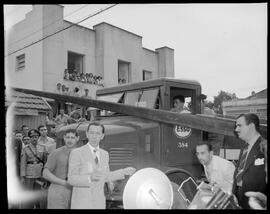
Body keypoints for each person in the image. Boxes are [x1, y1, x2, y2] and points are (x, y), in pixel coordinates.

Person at [68, 122, 136, 209]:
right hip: (82, 204)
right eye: (92, 133)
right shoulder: (76, 153)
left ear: (102, 136)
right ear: (87, 134)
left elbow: (106, 176)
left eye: (97, 133)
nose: (94, 136)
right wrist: (89, 178)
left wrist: (123, 172)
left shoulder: (105, 154)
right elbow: (71, 179)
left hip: (99, 204)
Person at [232, 113, 267, 209]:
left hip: (256, 203)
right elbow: (238, 173)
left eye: (239, 126)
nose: (236, 129)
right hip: (238, 199)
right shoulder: (244, 148)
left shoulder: (265, 147)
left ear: (251, 126)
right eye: (236, 126)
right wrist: (233, 194)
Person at [43, 129, 79, 209]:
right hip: (58, 190)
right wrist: (64, 183)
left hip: (77, 191)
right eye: (68, 137)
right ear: (64, 138)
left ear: (77, 138)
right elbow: (45, 173)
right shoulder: (56, 153)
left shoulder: (83, 153)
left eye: (72, 138)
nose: (70, 140)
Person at [20, 129, 47, 209]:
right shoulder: (26, 149)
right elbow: (23, 163)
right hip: (29, 174)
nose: (34, 138)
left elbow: (45, 161)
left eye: (36, 137)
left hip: (39, 174)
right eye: (32, 137)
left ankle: (38, 207)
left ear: (38, 137)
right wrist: (22, 176)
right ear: (30, 138)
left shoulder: (43, 147)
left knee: (38, 193)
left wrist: (45, 173)